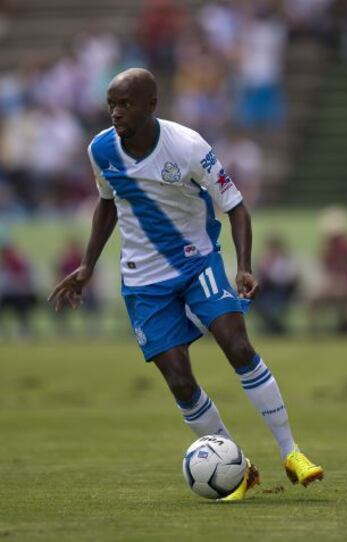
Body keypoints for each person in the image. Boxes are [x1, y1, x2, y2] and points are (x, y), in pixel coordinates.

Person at [48, 68, 323, 501]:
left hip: (198, 264)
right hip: (143, 281)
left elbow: (236, 207)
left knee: (238, 346)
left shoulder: (188, 146)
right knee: (179, 381)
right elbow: (107, 205)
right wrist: (87, 266)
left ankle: (292, 452)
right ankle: (241, 467)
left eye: (125, 104)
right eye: (111, 104)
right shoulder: (100, 150)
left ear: (151, 105)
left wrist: (244, 266)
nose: (116, 113)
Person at [254, 236, 299, 335]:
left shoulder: (285, 262)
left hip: (282, 293)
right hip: (265, 294)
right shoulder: (263, 262)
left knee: (270, 303)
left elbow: (288, 280)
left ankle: (273, 326)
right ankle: (272, 325)